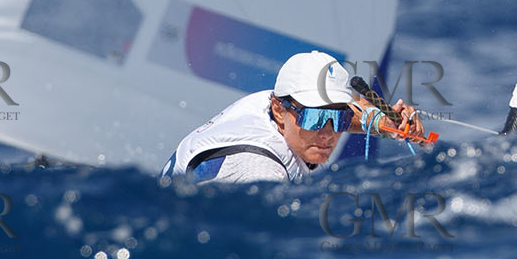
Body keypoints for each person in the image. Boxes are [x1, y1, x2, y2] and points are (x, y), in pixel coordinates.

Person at [160, 51, 424, 184]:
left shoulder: (281, 102)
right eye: (314, 119)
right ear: (279, 109)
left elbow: (347, 107)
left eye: (339, 120)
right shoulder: (259, 170)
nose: (327, 134)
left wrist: (382, 122)